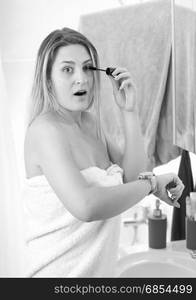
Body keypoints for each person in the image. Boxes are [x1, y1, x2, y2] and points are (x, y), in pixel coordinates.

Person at [23, 27, 184, 278]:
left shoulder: (91, 124)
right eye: (67, 69)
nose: (82, 78)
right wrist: (152, 185)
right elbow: (87, 206)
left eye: (87, 68)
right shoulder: (45, 130)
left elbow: (133, 178)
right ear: (47, 79)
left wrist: (129, 111)